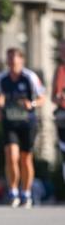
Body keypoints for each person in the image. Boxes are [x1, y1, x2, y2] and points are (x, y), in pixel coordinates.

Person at [0, 48, 45, 208]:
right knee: (11, 156)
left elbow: (42, 97)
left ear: (21, 60)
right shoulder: (1, 78)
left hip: (27, 123)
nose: (11, 63)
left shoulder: (29, 77)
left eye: (14, 60)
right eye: (9, 60)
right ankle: (13, 191)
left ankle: (26, 192)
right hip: (10, 123)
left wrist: (33, 104)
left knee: (26, 158)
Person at [51, 39, 65, 183]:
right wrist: (59, 98)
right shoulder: (59, 70)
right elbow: (53, 98)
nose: (62, 53)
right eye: (61, 51)